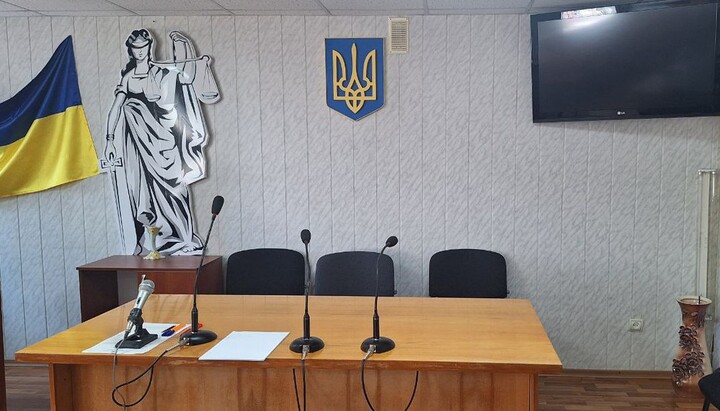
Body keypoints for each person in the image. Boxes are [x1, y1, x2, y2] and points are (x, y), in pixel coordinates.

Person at [104, 29, 216, 255]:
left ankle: (184, 236)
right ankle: (156, 241)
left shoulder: (163, 73)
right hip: (141, 146)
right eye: (136, 48)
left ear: (149, 47)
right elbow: (115, 109)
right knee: (145, 192)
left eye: (143, 47)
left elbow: (182, 82)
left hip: (165, 143)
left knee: (177, 188)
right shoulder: (128, 78)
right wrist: (110, 139)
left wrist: (187, 54)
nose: (140, 52)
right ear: (131, 51)